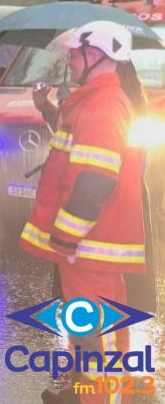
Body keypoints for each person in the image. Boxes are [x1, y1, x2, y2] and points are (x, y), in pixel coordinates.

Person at [20, 21, 147, 404]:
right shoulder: (94, 102)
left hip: (90, 243)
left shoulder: (104, 106)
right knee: (88, 328)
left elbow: (96, 180)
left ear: (97, 55)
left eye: (75, 54)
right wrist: (49, 109)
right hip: (89, 245)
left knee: (99, 336)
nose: (70, 61)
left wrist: (66, 236)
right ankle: (87, 394)